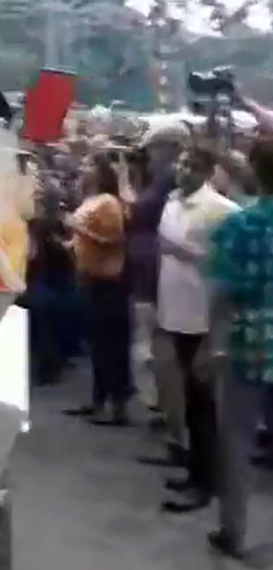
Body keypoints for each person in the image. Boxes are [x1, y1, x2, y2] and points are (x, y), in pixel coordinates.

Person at [156, 146, 239, 513]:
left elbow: (229, 263)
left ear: (206, 172)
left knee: (204, 405)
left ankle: (207, 482)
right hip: (175, 312)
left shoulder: (222, 210)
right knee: (191, 401)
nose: (183, 170)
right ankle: (196, 472)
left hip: (203, 318)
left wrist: (187, 253)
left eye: (192, 166)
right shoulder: (173, 201)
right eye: (182, 163)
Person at [207, 133, 273, 559]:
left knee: (238, 441)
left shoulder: (240, 226)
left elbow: (223, 293)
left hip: (250, 343)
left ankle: (234, 531)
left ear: (255, 171)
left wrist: (211, 345)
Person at [129, 123, 191, 467]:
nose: (149, 155)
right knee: (154, 347)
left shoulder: (170, 182)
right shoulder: (159, 181)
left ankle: (173, 422)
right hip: (149, 271)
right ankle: (169, 416)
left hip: (158, 275)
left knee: (159, 350)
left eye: (153, 148)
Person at [64, 152, 131, 425]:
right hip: (90, 277)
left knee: (110, 344)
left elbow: (113, 240)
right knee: (98, 343)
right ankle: (99, 399)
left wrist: (79, 229)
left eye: (88, 165)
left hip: (108, 281)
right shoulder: (90, 200)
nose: (82, 169)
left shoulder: (108, 203)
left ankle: (116, 405)